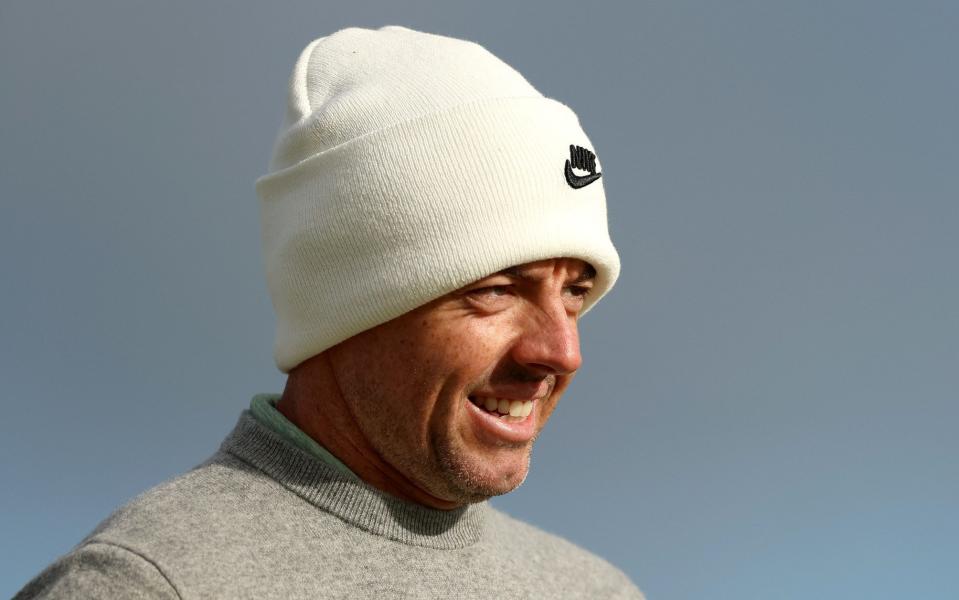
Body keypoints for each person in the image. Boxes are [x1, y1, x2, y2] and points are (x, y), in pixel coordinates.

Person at [15, 25, 644, 599]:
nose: (562, 352)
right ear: (348, 303)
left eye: (574, 291)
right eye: (497, 289)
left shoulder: (595, 590)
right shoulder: (148, 585)